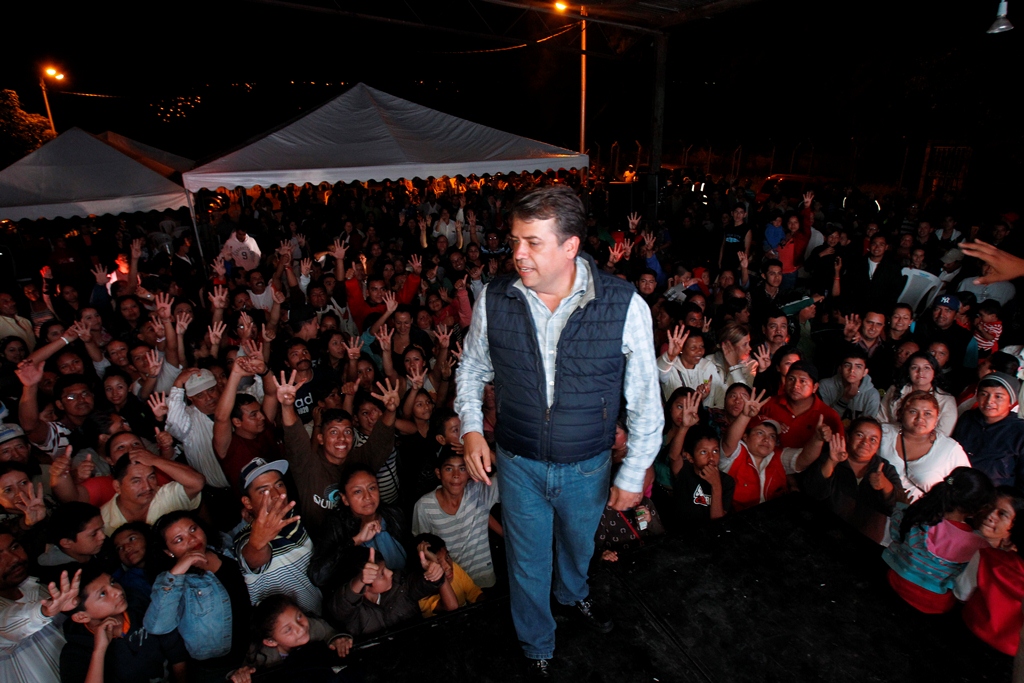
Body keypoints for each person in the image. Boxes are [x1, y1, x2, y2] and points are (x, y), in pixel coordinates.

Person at [454, 186, 663, 676]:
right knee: (526, 562)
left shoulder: (624, 306)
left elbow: (645, 401)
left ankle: (573, 594)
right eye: (515, 240)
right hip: (519, 461)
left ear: (570, 246)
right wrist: (470, 428)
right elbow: (471, 369)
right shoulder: (496, 299)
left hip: (588, 465)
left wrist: (633, 472)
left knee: (579, 545)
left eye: (532, 242)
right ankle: (537, 644)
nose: (517, 253)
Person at [145, 510, 252, 680]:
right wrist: (180, 568)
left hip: (255, 648)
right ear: (168, 552)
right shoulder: (170, 581)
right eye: (179, 540)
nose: (192, 540)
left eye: (193, 530)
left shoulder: (221, 546)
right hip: (218, 667)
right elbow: (158, 625)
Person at [883, 467, 995, 613]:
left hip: (895, 582)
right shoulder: (980, 546)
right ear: (977, 510)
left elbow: (896, 534)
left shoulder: (918, 515)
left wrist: (902, 506)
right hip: (934, 605)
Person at [60, 565, 188, 683]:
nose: (118, 591)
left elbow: (174, 648)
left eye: (112, 582)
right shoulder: (75, 652)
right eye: (103, 594)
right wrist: (99, 651)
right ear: (82, 616)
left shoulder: (137, 603)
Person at [233, 457, 322, 615]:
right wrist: (258, 543)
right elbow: (254, 557)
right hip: (285, 634)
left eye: (279, 484)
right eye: (264, 491)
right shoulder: (244, 538)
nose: (276, 494)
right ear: (247, 502)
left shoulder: (296, 520)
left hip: (318, 619)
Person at [799, 419, 905, 543]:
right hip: (822, 535)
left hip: (865, 542)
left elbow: (898, 508)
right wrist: (832, 462)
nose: (865, 442)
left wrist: (885, 485)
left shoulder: (886, 468)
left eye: (873, 439)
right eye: (859, 435)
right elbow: (812, 493)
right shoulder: (830, 457)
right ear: (849, 437)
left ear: (878, 445)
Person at [412, 448, 501, 589]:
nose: (456, 475)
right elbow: (423, 547)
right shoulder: (424, 506)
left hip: (484, 581)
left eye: (462, 468)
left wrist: (481, 449)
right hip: (452, 584)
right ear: (438, 473)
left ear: (470, 471)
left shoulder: (480, 491)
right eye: (449, 469)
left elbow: (515, 478)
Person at [0, 528, 80, 683]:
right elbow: (5, 628)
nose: (13, 559)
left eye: (14, 547)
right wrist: (43, 612)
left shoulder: (40, 588)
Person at [955, 488, 1024, 655]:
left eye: (1003, 514)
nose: (991, 515)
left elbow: (961, 594)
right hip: (1010, 654)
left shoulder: (988, 557)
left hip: (968, 631)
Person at [227, 594, 353, 683]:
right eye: (288, 630)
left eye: (299, 617)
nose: (300, 628)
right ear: (271, 642)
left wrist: (339, 641)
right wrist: (240, 675)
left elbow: (331, 634)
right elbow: (243, 673)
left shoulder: (313, 627)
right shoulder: (260, 655)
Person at [878, 390, 972, 501]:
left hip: (922, 514)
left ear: (937, 418)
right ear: (900, 413)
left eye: (927, 413)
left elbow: (967, 486)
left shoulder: (949, 449)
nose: (920, 418)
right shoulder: (883, 433)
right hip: (876, 508)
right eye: (913, 411)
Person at [98, 439, 204, 536]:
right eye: (136, 481)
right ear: (117, 486)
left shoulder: (166, 495)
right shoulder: (103, 520)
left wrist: (155, 460)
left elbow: (197, 482)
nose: (147, 487)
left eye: (151, 477)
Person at [952, 371, 1024, 489]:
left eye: (998, 396)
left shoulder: (1019, 431)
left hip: (994, 497)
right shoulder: (968, 418)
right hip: (958, 488)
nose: (989, 401)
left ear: (1011, 402)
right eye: (984, 394)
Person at [877, 351, 958, 437]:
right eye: (914, 367)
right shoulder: (895, 390)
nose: (920, 372)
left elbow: (943, 434)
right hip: (890, 439)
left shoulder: (946, 400)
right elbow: (881, 419)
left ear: (934, 372)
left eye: (926, 368)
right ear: (908, 371)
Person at [817, 345, 881, 424]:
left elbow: (867, 427)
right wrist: (845, 399)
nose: (852, 370)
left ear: (865, 372)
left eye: (858, 367)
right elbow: (824, 420)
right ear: (840, 368)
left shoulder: (872, 394)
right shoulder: (825, 385)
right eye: (847, 365)